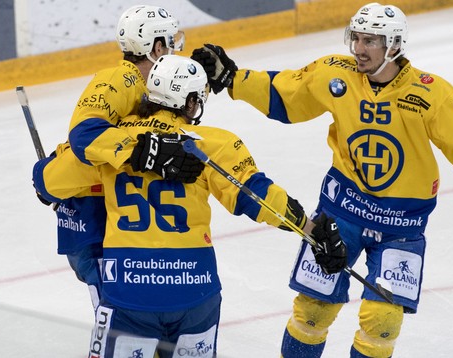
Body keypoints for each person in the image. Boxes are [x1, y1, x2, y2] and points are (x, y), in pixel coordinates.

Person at [190, 2, 453, 357]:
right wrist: (232, 79)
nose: (358, 48)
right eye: (356, 38)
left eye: (370, 41)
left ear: (394, 46)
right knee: (312, 310)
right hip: (341, 214)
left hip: (401, 223)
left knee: (383, 321)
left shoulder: (430, 93)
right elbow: (286, 92)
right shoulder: (335, 74)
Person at [32, 55, 348, 358]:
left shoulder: (113, 143)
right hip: (196, 291)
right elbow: (256, 196)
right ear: (190, 102)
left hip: (130, 291)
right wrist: (310, 229)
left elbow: (48, 181)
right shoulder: (212, 143)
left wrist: (47, 175)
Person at [37, 4, 202, 313]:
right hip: (92, 216)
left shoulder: (153, 83)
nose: (176, 47)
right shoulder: (117, 79)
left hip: (122, 214)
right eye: (170, 40)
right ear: (156, 47)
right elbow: (85, 138)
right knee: (119, 317)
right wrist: (49, 178)